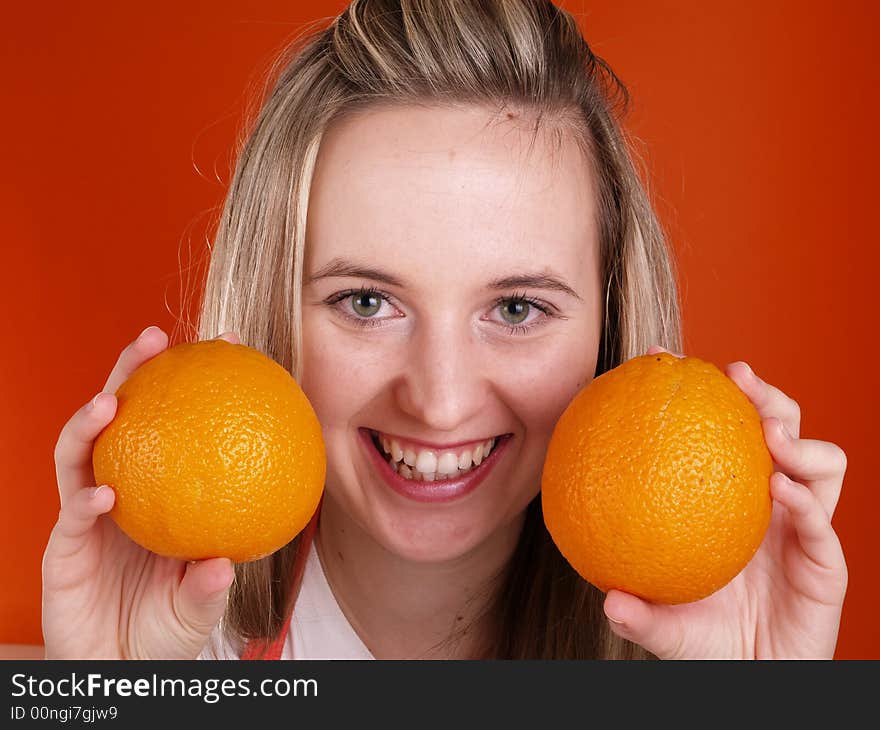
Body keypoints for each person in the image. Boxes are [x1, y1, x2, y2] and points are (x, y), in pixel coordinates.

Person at [41, 0, 847, 660]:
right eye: (366, 302)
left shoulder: (718, 666)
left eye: (517, 309)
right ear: (269, 310)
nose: (440, 400)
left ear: (612, 329)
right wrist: (108, 689)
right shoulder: (134, 668)